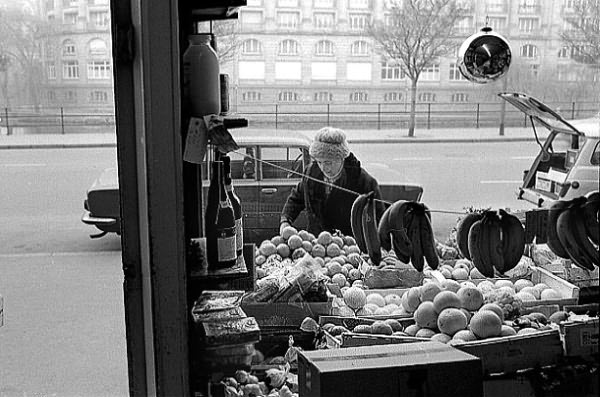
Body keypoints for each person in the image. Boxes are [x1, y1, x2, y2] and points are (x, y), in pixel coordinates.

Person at [279, 127, 383, 237]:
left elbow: (378, 219)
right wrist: (285, 220)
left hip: (349, 248)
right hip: (316, 245)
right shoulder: (310, 173)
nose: (324, 168)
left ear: (341, 158)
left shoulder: (364, 182)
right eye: (319, 162)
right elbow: (296, 198)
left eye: (328, 163)